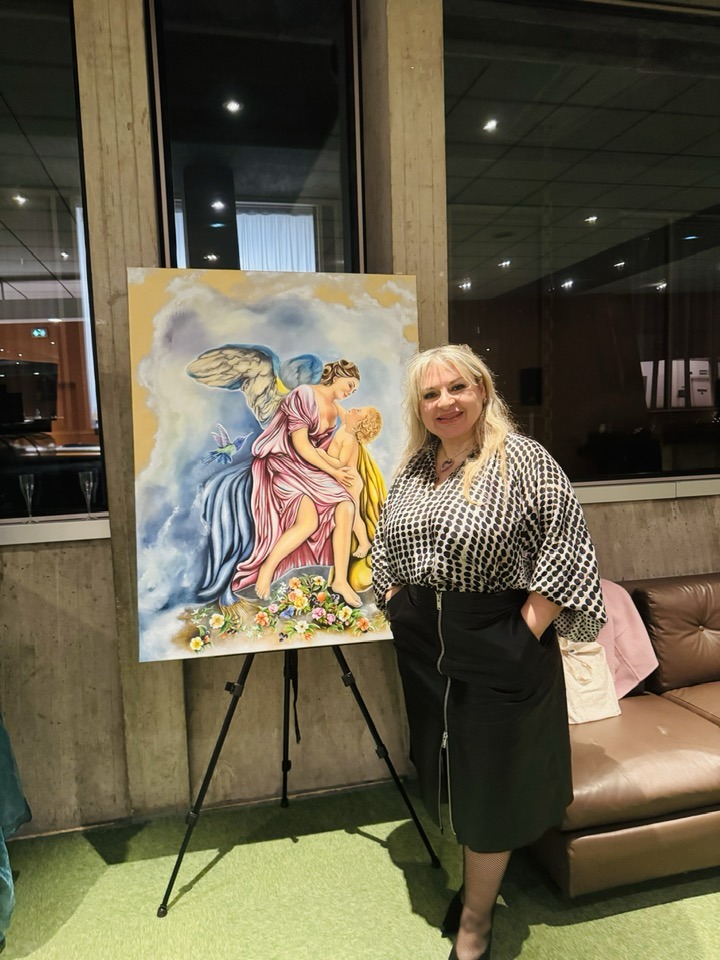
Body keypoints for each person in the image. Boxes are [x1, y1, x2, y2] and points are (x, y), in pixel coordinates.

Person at [371, 344, 606, 960]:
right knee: (447, 767)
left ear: (482, 390)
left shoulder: (523, 461)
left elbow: (566, 548)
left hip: (497, 638)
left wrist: (523, 633)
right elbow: (385, 541)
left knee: (492, 787)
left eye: (457, 388)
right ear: (418, 407)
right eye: (430, 394)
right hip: (425, 645)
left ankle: (476, 921)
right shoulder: (415, 468)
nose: (445, 402)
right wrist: (395, 601)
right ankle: (475, 886)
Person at [232, 359, 365, 608]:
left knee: (346, 506)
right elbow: (301, 445)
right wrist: (334, 472)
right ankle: (267, 568)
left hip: (311, 468)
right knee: (308, 521)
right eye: (350, 384)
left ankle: (340, 580)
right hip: (284, 463)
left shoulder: (337, 409)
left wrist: (345, 469)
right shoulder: (304, 394)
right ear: (337, 376)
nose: (351, 392)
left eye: (355, 390)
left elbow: (352, 431)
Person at [324, 405, 383, 558]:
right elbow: (341, 411)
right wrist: (332, 398)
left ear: (359, 425)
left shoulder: (349, 438)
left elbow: (340, 462)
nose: (355, 408)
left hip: (350, 480)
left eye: (359, 411)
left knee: (354, 515)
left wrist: (321, 455)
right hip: (346, 479)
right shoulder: (346, 426)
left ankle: (364, 543)